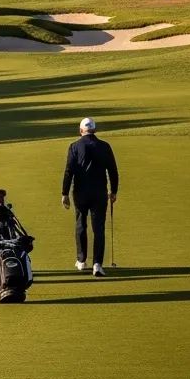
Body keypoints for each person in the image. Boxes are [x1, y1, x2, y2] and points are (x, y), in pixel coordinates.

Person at [62, 117, 119, 277]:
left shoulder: (74, 146)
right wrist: (113, 191)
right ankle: (97, 265)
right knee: (98, 228)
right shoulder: (104, 146)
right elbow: (113, 171)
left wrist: (64, 193)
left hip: (80, 192)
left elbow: (69, 171)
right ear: (94, 130)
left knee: (81, 224)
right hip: (99, 193)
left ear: (81, 131)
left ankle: (81, 261)